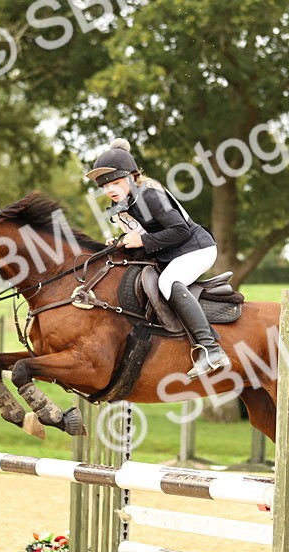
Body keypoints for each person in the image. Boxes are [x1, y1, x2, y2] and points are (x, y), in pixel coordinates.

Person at [86, 138, 230, 379]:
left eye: (116, 183)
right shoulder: (123, 204)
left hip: (197, 248)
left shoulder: (150, 194)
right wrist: (121, 243)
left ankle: (212, 349)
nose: (110, 190)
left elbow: (181, 230)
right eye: (105, 186)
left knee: (168, 282)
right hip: (173, 253)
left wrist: (142, 241)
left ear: (131, 177)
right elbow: (141, 235)